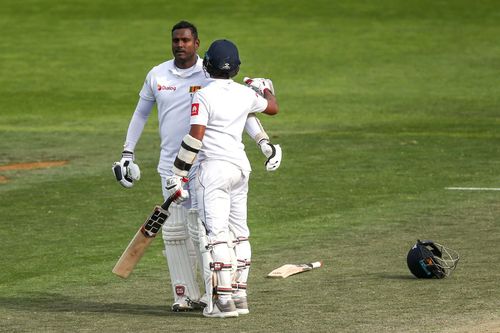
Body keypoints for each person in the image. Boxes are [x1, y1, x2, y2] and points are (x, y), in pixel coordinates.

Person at [112, 21, 282, 312]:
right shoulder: (157, 75)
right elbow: (140, 114)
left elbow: (245, 114)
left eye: (186, 40)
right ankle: (185, 295)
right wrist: (128, 152)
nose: (180, 45)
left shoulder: (209, 75)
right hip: (174, 163)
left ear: (197, 43)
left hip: (201, 164)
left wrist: (263, 141)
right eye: (176, 40)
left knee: (204, 232)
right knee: (176, 233)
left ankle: (214, 296)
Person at [166, 39, 279, 318]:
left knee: (216, 237)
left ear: (206, 64)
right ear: (236, 68)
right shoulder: (244, 94)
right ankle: (240, 297)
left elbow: (195, 137)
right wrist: (265, 87)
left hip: (212, 170)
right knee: (240, 233)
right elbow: (272, 108)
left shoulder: (203, 95)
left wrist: (178, 173)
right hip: (240, 169)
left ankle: (223, 303)